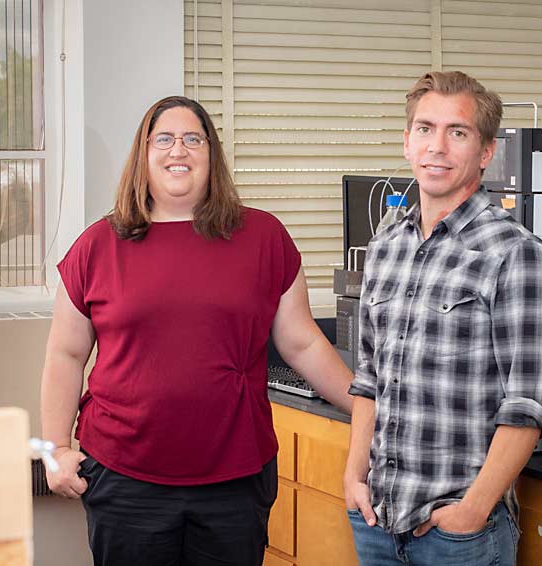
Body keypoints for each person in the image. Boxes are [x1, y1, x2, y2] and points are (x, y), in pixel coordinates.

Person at [40, 95, 354, 566]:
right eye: (163, 139)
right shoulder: (97, 246)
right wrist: (56, 448)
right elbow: (65, 354)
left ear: (212, 154)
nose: (178, 151)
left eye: (193, 139)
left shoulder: (264, 238)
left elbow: (303, 341)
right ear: (143, 155)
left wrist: (373, 409)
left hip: (234, 482)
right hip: (125, 480)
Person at [342, 71, 542, 566]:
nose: (436, 147)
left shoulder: (515, 254)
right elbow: (369, 379)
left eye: (456, 133)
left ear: (485, 152)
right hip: (377, 520)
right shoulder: (385, 247)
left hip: (459, 536)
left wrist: (473, 509)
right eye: (424, 129)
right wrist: (354, 478)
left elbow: (528, 405)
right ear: (406, 141)